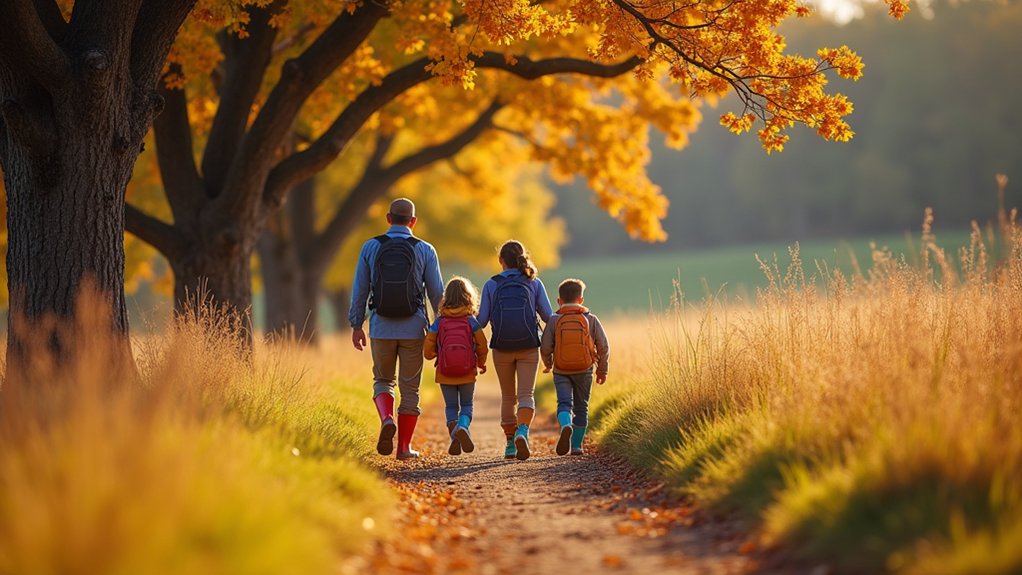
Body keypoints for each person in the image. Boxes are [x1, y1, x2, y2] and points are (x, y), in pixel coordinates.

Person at [350, 198, 443, 460]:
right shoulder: (425, 249)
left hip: (380, 327)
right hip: (414, 329)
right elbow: (437, 294)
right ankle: (403, 448)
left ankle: (386, 418)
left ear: (388, 218)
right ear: (413, 221)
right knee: (410, 389)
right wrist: (441, 329)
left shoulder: (371, 247)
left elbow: (360, 290)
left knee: (382, 381)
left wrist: (357, 324)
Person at [477, 240, 553, 460]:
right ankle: (523, 431)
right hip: (529, 346)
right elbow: (548, 317)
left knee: (508, 396)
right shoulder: (534, 283)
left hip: (501, 347)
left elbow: (481, 321)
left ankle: (510, 443)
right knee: (526, 394)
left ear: (501, 260)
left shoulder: (491, 284)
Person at [540, 278, 610, 456]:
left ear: (559, 301)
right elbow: (603, 346)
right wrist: (602, 369)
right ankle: (577, 446)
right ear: (581, 300)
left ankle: (565, 425)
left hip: (561, 370)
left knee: (564, 403)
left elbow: (546, 346)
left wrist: (549, 364)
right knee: (581, 407)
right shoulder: (591, 319)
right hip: (584, 370)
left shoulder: (554, 320)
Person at [424, 277, 488, 456]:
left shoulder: (439, 321)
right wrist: (481, 362)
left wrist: (435, 355)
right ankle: (463, 427)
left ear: (446, 298)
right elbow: (482, 343)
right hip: (467, 371)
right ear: (468, 297)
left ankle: (454, 436)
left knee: (451, 406)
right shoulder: (471, 321)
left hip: (445, 371)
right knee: (467, 404)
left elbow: (428, 345)